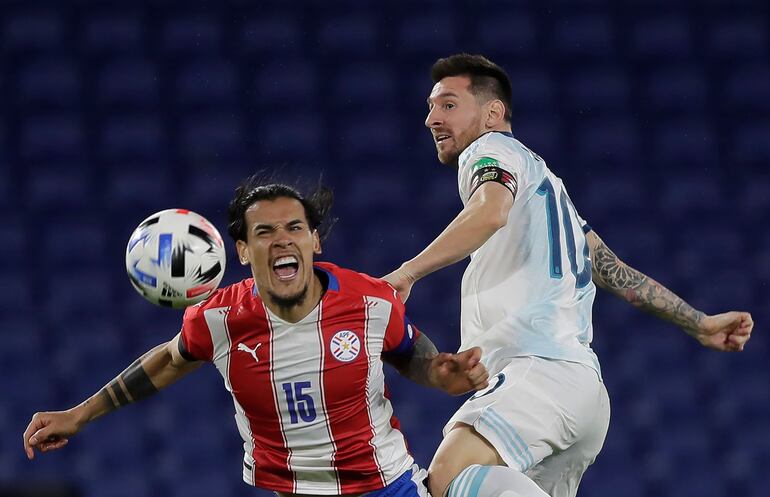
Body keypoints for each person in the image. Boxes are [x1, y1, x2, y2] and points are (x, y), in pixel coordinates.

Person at [384, 53, 754, 497]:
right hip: (581, 390)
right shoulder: (547, 187)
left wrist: (408, 272)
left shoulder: (489, 149)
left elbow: (490, 211)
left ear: (493, 113)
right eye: (430, 107)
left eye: (448, 105)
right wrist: (699, 322)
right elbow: (613, 271)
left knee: (447, 477)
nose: (432, 119)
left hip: (536, 370)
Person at [23, 175, 490, 497]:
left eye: (295, 228)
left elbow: (409, 353)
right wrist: (79, 414)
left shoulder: (369, 300)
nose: (282, 239)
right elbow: (167, 361)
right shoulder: (220, 319)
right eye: (265, 232)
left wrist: (439, 373)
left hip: (385, 487)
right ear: (244, 250)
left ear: (314, 241)